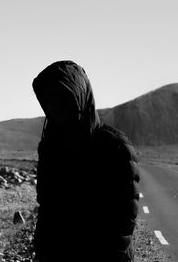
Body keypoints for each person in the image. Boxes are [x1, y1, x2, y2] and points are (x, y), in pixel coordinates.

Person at [32, 60, 140, 261]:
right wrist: (41, 250)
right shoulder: (50, 146)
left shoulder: (114, 146)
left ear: (79, 96)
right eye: (49, 98)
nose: (55, 105)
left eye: (62, 97)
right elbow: (47, 206)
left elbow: (125, 215)